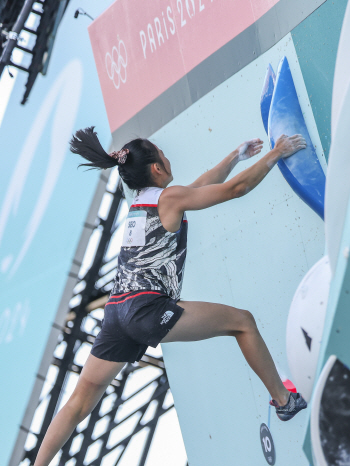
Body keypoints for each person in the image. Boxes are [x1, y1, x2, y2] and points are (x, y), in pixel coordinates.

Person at [34, 127, 309, 466]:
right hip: (145, 308)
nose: (167, 156)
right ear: (156, 169)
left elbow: (203, 184)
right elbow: (235, 189)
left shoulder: (143, 202)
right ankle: (284, 402)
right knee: (243, 323)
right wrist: (276, 152)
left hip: (116, 314)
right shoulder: (168, 199)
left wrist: (236, 156)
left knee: (79, 401)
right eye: (162, 154)